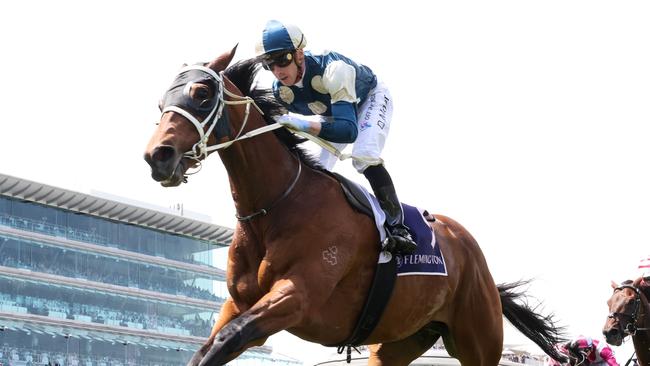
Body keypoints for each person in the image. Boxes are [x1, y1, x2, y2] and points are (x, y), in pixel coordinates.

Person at [255, 19, 418, 254]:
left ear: (299, 54)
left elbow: (348, 132)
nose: (278, 70)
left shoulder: (333, 69)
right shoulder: (280, 92)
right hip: (335, 111)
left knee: (364, 155)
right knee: (314, 168)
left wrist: (301, 124)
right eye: (269, 64)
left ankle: (399, 228)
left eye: (283, 59)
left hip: (369, 99)